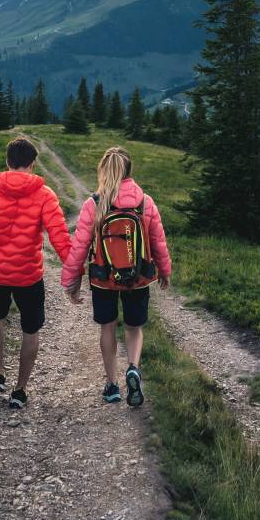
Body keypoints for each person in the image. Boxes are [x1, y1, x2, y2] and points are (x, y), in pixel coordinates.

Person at [0, 136, 72, 408]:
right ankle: (19, 390)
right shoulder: (45, 196)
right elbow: (60, 238)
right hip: (29, 276)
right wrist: (73, 272)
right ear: (32, 164)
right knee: (30, 332)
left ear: (7, 162)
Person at [60, 146, 171, 406]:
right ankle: (133, 366)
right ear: (129, 171)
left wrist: (71, 281)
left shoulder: (95, 204)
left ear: (104, 171)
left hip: (103, 278)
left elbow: (79, 247)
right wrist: (164, 271)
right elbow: (159, 242)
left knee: (107, 327)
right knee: (134, 328)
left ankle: (111, 385)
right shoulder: (146, 202)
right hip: (138, 277)